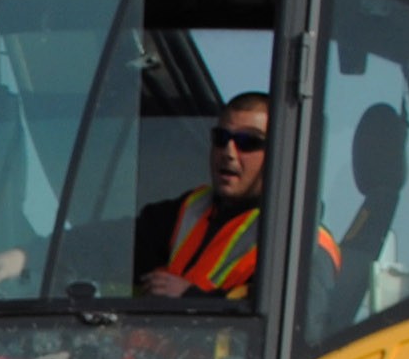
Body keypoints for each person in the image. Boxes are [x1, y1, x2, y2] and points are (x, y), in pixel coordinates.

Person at [134, 91, 335, 300]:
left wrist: (188, 296)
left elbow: (291, 325)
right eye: (221, 138)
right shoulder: (192, 208)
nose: (229, 152)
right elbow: (118, 244)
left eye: (248, 142)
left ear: (280, 153)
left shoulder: (303, 245)